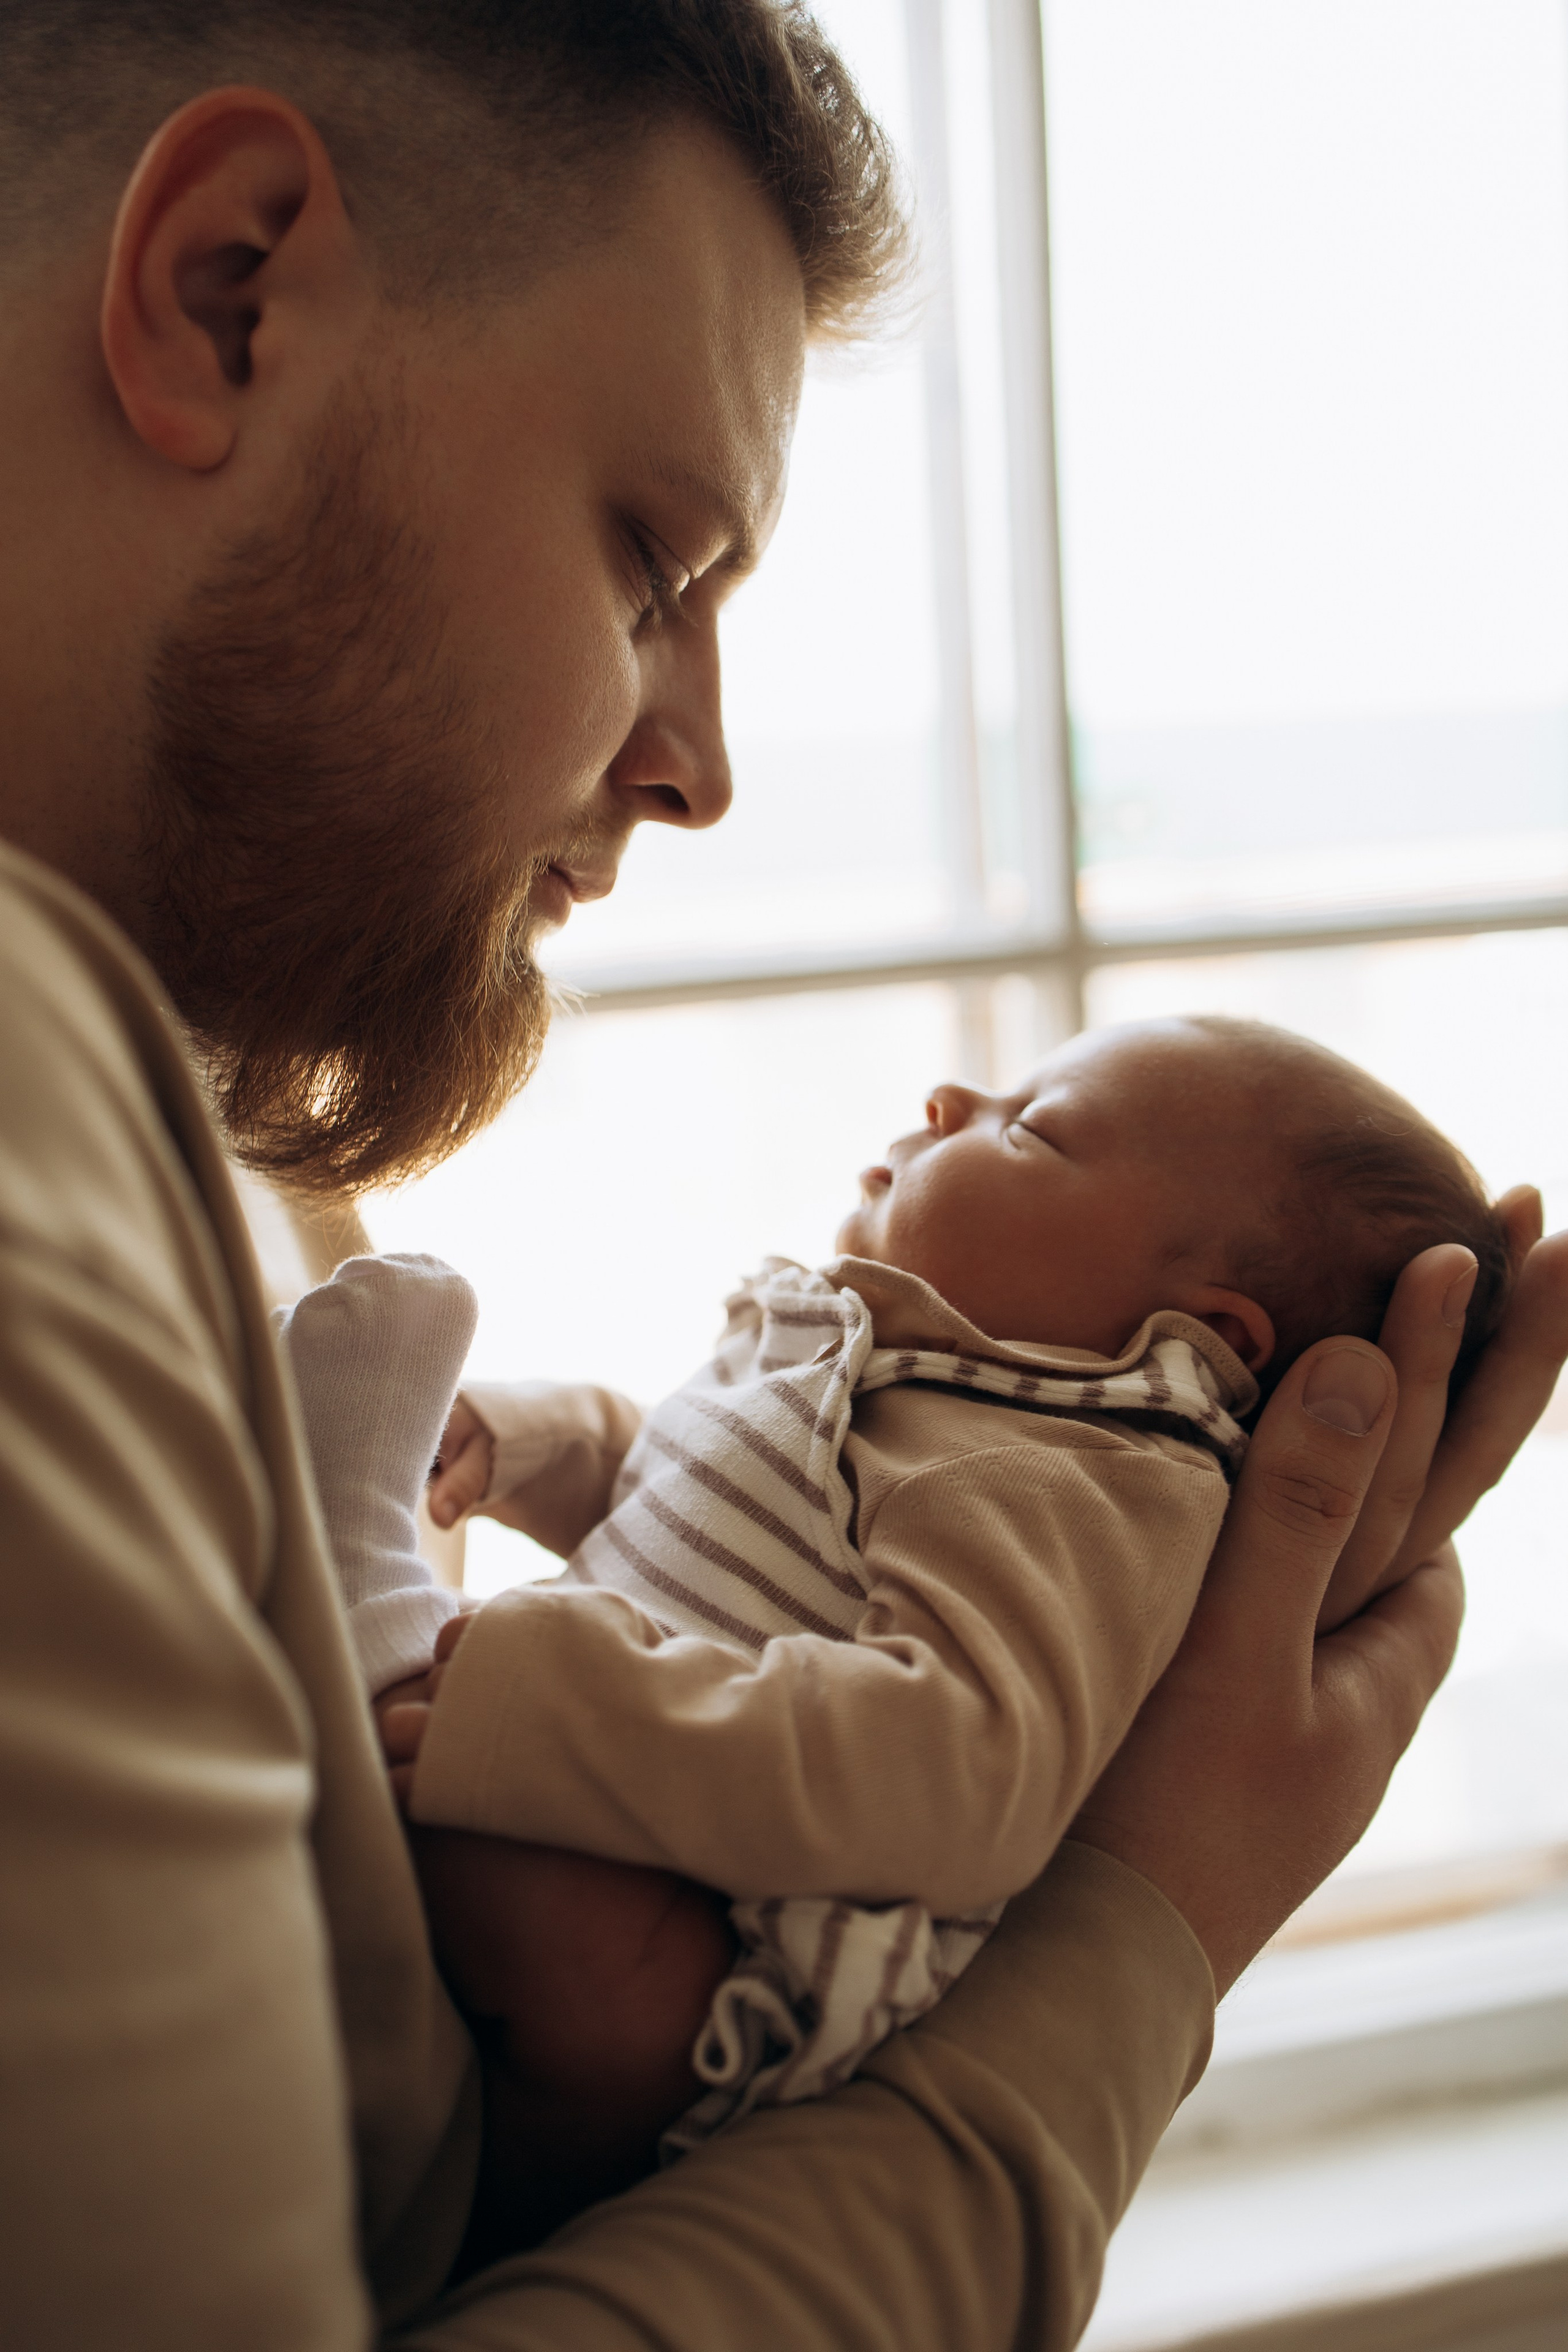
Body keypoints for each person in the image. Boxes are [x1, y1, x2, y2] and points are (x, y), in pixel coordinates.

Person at [0, 2, 1565, 2346]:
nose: (704, 766)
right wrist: (1149, 1927)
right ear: (229, 292)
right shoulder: (37, 1136)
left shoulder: (214, 1127)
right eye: (652, 562)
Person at [276, 1015, 1512, 2223]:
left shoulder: (1059, 1474)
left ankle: (358, 1597)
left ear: (1201, 1333)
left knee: (579, 1944)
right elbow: (701, 1502)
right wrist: (529, 1444)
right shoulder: (898, 1377)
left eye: (1030, 1128)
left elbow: (959, 1773)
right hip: (611, 1788)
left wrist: (566, 1713)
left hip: (693, 1972)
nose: (945, 1101)